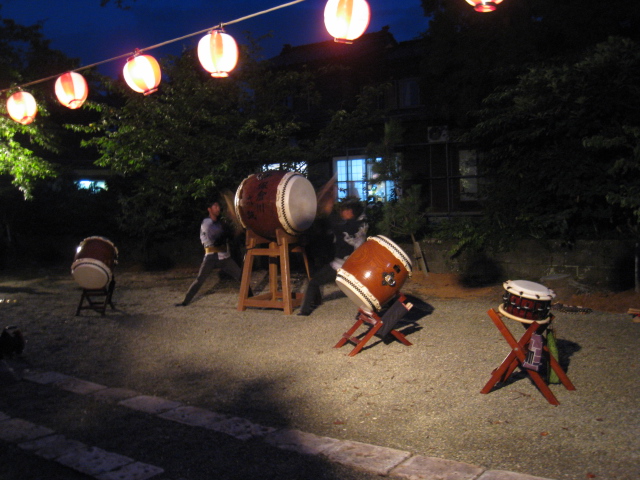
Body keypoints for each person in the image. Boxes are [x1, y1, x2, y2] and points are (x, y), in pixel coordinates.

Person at [297, 196, 368, 316]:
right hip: (355, 266)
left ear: (352, 212)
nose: (343, 212)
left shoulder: (350, 226)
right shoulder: (362, 224)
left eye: (346, 210)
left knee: (314, 282)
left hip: (343, 266)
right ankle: (316, 301)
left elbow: (334, 224)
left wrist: (327, 211)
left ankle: (305, 311)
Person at [176, 201, 243, 306]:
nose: (218, 208)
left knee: (242, 276)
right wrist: (229, 229)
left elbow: (230, 237)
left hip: (224, 257)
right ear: (209, 209)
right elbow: (216, 238)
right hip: (211, 257)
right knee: (200, 280)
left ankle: (250, 299)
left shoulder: (221, 223)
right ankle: (185, 301)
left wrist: (234, 229)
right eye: (215, 206)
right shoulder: (206, 223)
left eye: (218, 206)